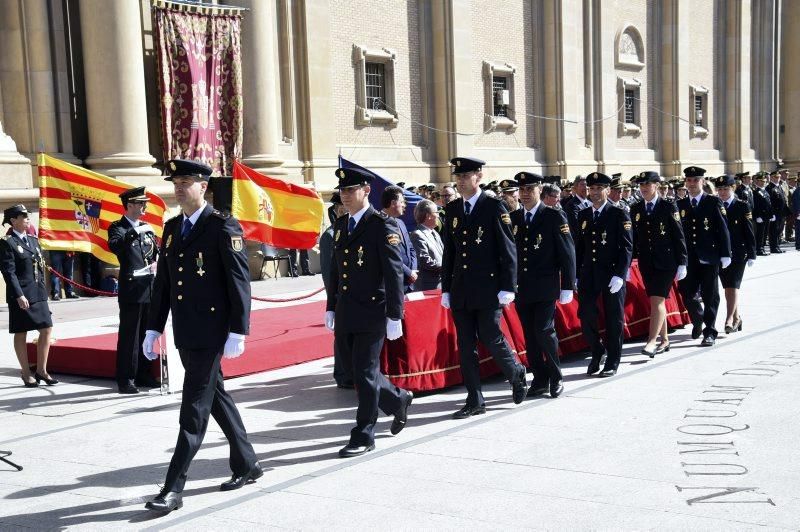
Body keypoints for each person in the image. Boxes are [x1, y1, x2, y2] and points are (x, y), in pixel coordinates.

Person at [142, 159, 261, 513]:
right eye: (175, 182)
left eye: (186, 181)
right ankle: (247, 463)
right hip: (186, 330)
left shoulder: (222, 227)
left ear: (204, 186)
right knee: (217, 397)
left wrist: (239, 329)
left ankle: (173, 487)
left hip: (212, 333)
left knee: (193, 408)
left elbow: (239, 282)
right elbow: (164, 282)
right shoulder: (172, 228)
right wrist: (152, 326)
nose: (179, 187)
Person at [324, 167, 413, 457]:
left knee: (364, 372)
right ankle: (398, 398)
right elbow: (336, 270)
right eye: (342, 192)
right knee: (352, 371)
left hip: (374, 309)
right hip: (348, 309)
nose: (345, 196)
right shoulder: (340, 226)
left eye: (351, 190)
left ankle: (364, 433)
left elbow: (393, 273)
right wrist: (331, 305)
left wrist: (395, 314)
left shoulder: (381, 225)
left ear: (366, 191)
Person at [441, 157, 527, 418]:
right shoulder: (454, 209)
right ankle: (475, 399)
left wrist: (507, 286)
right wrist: (446, 288)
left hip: (489, 287)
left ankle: (516, 372)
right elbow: (451, 253)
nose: (460, 181)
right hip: (461, 289)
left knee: (491, 336)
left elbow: (507, 248)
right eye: (458, 177)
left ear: (478, 176)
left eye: (465, 176)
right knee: (466, 345)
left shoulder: (493, 206)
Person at [510, 172, 575, 398]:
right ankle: (539, 378)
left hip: (546, 284)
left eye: (530, 189)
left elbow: (567, 253)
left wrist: (568, 285)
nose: (525, 194)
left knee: (544, 330)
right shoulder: (514, 218)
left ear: (540, 190)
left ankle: (556, 376)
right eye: (522, 190)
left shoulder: (553, 216)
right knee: (529, 334)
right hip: (523, 286)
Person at [574, 172, 633, 377]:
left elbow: (626, 247)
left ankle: (613, 360)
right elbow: (579, 247)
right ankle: (597, 350)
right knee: (586, 314)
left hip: (612, 274)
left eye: (600, 188)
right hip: (589, 274)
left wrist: (620, 274)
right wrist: (576, 274)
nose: (596, 192)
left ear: (608, 190)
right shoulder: (583, 215)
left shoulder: (618, 213)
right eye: (592, 189)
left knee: (613, 318)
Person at [630, 172, 687, 358]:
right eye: (641, 185)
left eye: (647, 184)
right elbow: (634, 238)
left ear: (656, 185)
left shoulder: (668, 206)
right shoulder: (636, 208)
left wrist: (683, 262)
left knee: (657, 300)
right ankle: (664, 339)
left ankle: (651, 341)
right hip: (647, 263)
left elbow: (679, 236)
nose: (643, 188)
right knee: (656, 301)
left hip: (666, 262)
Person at [107, 187, 159, 394]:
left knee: (147, 333)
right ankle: (126, 378)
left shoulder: (147, 227)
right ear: (129, 206)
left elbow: (155, 251)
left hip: (149, 286)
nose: (144, 207)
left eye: (144, 203)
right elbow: (116, 247)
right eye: (140, 203)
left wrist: (158, 263)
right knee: (130, 336)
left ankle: (143, 374)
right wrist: (132, 232)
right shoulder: (118, 228)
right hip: (132, 289)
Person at [0, 205, 57, 388]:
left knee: (46, 329)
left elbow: (39, 268)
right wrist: (18, 295)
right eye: (22, 216)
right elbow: (9, 273)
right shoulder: (6, 242)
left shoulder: (33, 240)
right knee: (21, 332)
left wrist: (45, 291)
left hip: (38, 292)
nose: (27, 218)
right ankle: (25, 372)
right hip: (21, 295)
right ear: (12, 221)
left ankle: (41, 370)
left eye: (27, 215)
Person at [676, 166, 732, 347]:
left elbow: (723, 229)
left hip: (709, 256)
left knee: (710, 295)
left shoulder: (713, 202)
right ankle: (698, 318)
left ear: (702, 181)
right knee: (686, 293)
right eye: (689, 180)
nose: (692, 184)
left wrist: (726, 254)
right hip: (688, 258)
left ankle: (710, 330)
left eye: (695, 180)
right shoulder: (680, 204)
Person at [319, 193, 353, 388]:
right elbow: (327, 272)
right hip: (340, 293)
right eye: (342, 206)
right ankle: (342, 373)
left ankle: (347, 371)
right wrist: (332, 298)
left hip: (350, 293)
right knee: (341, 336)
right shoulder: (330, 235)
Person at [715, 175, 755, 334]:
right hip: (721, 252)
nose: (722, 192)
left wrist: (752, 253)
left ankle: (729, 318)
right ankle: (737, 318)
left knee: (733, 285)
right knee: (727, 287)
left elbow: (749, 230)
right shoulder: (716, 205)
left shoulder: (742, 206)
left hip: (739, 252)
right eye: (719, 189)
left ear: (733, 188)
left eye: (725, 189)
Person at [381, 186, 418, 292]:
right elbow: (389, 255)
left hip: (409, 282)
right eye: (402, 202)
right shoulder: (379, 223)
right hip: (392, 283)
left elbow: (410, 248)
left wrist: (413, 270)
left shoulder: (400, 223)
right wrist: (408, 273)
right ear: (393, 203)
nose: (404, 205)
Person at [410, 199, 443, 290]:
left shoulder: (434, 233)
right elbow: (424, 260)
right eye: (436, 212)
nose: (438, 215)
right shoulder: (417, 235)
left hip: (440, 283)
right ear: (428, 216)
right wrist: (447, 266)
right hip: (428, 287)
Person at [752, 172, 772, 256]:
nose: (763, 182)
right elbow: (756, 205)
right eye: (761, 181)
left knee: (765, 233)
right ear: (757, 182)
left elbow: (769, 204)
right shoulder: (756, 192)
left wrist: (771, 215)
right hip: (761, 216)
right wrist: (758, 216)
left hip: (766, 216)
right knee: (760, 233)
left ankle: (762, 247)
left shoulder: (764, 191)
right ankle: (759, 249)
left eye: (764, 181)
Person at [766, 171, 786, 253]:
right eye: (776, 177)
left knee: (779, 230)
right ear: (772, 178)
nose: (778, 179)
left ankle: (777, 246)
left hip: (781, 213)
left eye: (778, 177)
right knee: (773, 231)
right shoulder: (769, 188)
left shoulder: (779, 187)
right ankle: (773, 247)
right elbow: (769, 202)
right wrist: (771, 214)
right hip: (775, 213)